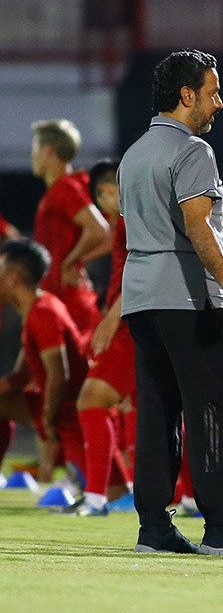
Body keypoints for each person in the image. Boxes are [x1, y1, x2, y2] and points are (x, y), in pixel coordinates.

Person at [118, 48, 223, 557]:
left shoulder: (134, 154)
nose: (219, 102)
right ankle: (222, 526)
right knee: (212, 409)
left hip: (140, 298)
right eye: (211, 92)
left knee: (157, 411)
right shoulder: (193, 152)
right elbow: (198, 228)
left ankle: (154, 527)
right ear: (186, 95)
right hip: (189, 299)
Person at [62, 158, 134, 516]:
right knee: (141, 411)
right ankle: (174, 495)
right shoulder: (129, 216)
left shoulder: (128, 215)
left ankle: (96, 498)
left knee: (90, 400)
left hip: (130, 324)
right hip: (136, 321)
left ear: (105, 192)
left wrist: (112, 315)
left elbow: (143, 264)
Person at [0, 239, 87, 481]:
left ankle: (64, 463)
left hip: (70, 415)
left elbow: (59, 377)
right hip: (57, 407)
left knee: (109, 493)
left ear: (13, 277)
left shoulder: (44, 313)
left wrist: (47, 425)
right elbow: (19, 377)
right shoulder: (36, 309)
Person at [30, 119, 111, 334]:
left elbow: (99, 229)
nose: (33, 157)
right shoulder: (75, 184)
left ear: (48, 151)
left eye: (35, 150)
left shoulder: (65, 187)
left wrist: (70, 262)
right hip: (70, 299)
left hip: (68, 302)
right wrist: (77, 260)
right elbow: (112, 235)